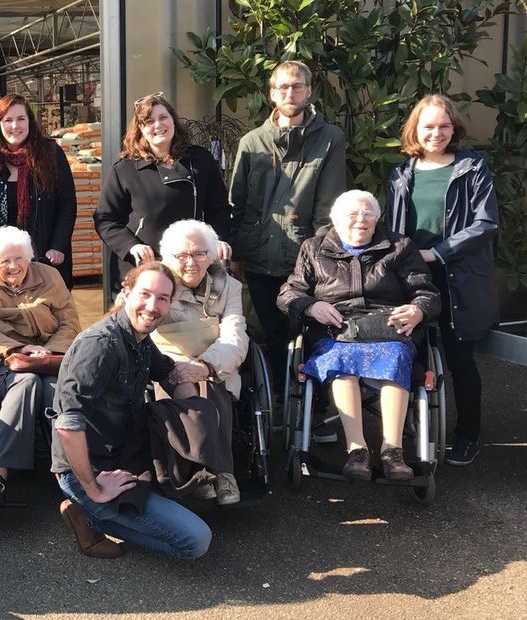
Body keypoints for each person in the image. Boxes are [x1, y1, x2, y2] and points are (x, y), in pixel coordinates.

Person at [52, 261, 212, 560]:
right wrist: (94, 488)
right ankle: (89, 514)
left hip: (127, 453)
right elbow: (68, 424)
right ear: (126, 291)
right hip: (91, 471)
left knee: (188, 495)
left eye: (163, 298)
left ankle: (111, 507)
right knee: (195, 541)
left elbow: (172, 374)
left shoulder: (139, 339)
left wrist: (193, 407)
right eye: (145, 294)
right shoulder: (100, 346)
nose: (153, 306)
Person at [277, 190, 441, 481]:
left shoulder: (400, 247)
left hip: (388, 330)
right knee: (342, 362)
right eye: (352, 214)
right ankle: (357, 452)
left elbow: (426, 292)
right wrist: (312, 306)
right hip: (336, 332)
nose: (361, 220)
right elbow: (289, 294)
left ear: (377, 220)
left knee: (395, 357)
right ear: (336, 220)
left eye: (368, 214)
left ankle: (393, 452)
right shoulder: (314, 248)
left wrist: (418, 310)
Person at [229, 60, 347, 433]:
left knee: (313, 334)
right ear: (271, 93)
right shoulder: (252, 143)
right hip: (260, 260)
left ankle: (316, 407)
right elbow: (238, 204)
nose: (289, 94)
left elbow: (328, 208)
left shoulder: (329, 139)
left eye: (296, 87)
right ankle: (280, 403)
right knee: (275, 336)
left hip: (307, 261)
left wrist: (317, 259)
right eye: (281, 88)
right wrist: (238, 252)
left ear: (309, 91)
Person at [386, 94, 498, 467]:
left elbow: (484, 223)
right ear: (415, 129)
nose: (437, 133)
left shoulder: (472, 167)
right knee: (408, 354)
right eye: (429, 126)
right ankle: (407, 432)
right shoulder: (401, 174)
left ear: (455, 128)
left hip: (457, 277)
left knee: (459, 359)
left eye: (444, 126)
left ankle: (467, 436)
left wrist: (439, 253)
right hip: (413, 276)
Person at [0, 226, 81, 505]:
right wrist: (16, 348)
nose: (13, 266)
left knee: (55, 387)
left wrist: (47, 351)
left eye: (19, 259)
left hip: (48, 358)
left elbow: (69, 322)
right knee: (25, 382)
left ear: (30, 258)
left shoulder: (50, 276)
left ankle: (67, 472)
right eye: (5, 261)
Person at [95, 92, 231, 299]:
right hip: (144, 268)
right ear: (140, 129)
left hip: (190, 267)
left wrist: (217, 239)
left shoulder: (200, 161)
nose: (157, 125)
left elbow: (218, 209)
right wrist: (132, 246)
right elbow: (105, 219)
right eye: (149, 121)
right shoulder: (125, 170)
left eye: (163, 117)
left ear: (173, 121)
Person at [153, 219, 248, 505]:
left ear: (211, 256)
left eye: (198, 253)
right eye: (181, 255)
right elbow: (137, 322)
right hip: (166, 361)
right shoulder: (157, 282)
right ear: (168, 258)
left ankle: (220, 473)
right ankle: (199, 471)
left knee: (209, 387)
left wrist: (204, 365)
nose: (190, 262)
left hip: (215, 361)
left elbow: (235, 336)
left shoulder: (229, 287)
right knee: (184, 387)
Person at [0, 93, 78, 287]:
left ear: (30, 121)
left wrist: (57, 246)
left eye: (21, 119)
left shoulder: (50, 154)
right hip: (2, 265)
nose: (15, 126)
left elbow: (67, 205)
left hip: (43, 258)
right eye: (8, 120)